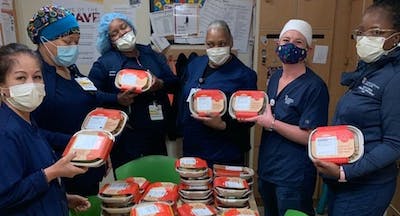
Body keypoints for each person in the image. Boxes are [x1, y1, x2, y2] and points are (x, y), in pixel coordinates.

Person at [313, 1, 400, 215]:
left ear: (396, 38)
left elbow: (394, 144)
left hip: (366, 186)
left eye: (376, 32)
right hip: (343, 179)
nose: (365, 38)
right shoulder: (370, 70)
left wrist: (345, 172)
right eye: (361, 32)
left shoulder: (395, 78)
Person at [242, 19, 329, 216]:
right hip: (268, 169)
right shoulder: (274, 78)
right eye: (286, 40)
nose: (290, 45)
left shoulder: (315, 87)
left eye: (298, 42)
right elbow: (266, 113)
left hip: (293, 176)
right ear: (277, 45)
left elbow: (310, 137)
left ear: (309, 49)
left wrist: (272, 123)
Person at [0, 43, 90, 215]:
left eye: (37, 77)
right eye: (20, 78)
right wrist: (52, 172)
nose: (32, 85)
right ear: (2, 86)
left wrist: (62, 197)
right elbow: (5, 196)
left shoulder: (28, 122)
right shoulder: (5, 132)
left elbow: (29, 177)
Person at [26, 4, 107, 196]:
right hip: (56, 165)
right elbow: (31, 130)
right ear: (45, 40)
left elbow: (89, 96)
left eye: (76, 42)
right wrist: (73, 140)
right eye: (67, 41)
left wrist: (100, 149)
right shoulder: (35, 78)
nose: (73, 47)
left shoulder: (71, 69)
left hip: (86, 159)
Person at [89, 13, 178, 169]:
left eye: (123, 27)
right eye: (114, 33)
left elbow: (174, 83)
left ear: (131, 26)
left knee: (158, 180)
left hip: (157, 132)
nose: (122, 33)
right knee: (130, 181)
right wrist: (116, 99)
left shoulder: (151, 54)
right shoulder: (105, 63)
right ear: (110, 41)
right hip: (128, 136)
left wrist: (160, 83)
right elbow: (90, 94)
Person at [177, 20, 257, 167]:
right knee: (194, 189)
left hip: (224, 150)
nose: (216, 48)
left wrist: (223, 125)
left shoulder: (244, 75)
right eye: (210, 44)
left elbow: (249, 119)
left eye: (221, 44)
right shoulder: (194, 65)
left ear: (231, 42)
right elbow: (183, 99)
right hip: (193, 147)